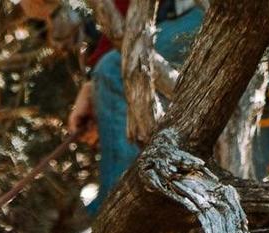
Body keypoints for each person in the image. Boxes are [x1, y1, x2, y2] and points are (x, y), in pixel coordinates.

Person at [68, 0, 206, 213]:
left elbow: (124, 18)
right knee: (115, 68)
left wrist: (99, 83)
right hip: (193, 17)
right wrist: (94, 88)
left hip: (207, 16)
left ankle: (120, 207)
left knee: (114, 69)